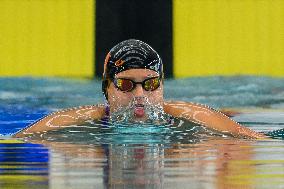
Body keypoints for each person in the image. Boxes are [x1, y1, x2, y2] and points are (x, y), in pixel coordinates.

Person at [14, 39, 265, 139]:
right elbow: (15, 140)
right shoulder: (75, 121)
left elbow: (259, 140)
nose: (140, 96)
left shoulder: (194, 117)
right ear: (106, 89)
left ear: (162, 86)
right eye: (125, 84)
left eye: (151, 84)